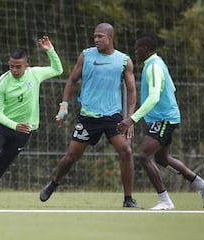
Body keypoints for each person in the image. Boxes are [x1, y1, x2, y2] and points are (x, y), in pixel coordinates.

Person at [39, 23, 139, 208]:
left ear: (110, 38)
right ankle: (53, 183)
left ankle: (128, 199)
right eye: (95, 36)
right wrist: (64, 106)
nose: (96, 40)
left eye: (100, 36)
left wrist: (130, 118)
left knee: (126, 151)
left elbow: (132, 91)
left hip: (112, 117)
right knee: (71, 156)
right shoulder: (86, 55)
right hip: (88, 117)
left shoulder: (124, 60)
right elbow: (71, 80)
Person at [0, 36, 63, 208]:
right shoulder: (3, 82)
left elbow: (58, 69)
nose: (14, 70)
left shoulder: (35, 74)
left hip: (23, 133)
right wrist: (14, 124)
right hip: (5, 126)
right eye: (11, 66)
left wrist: (50, 51)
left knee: (0, 166)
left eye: (18, 67)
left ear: (26, 66)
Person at [117, 32, 204, 210]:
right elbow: (172, 87)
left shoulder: (154, 66)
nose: (135, 52)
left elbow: (154, 97)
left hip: (164, 119)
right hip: (164, 118)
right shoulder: (157, 63)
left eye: (137, 49)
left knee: (145, 156)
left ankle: (165, 201)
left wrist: (131, 119)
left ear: (145, 49)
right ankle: (202, 184)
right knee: (162, 158)